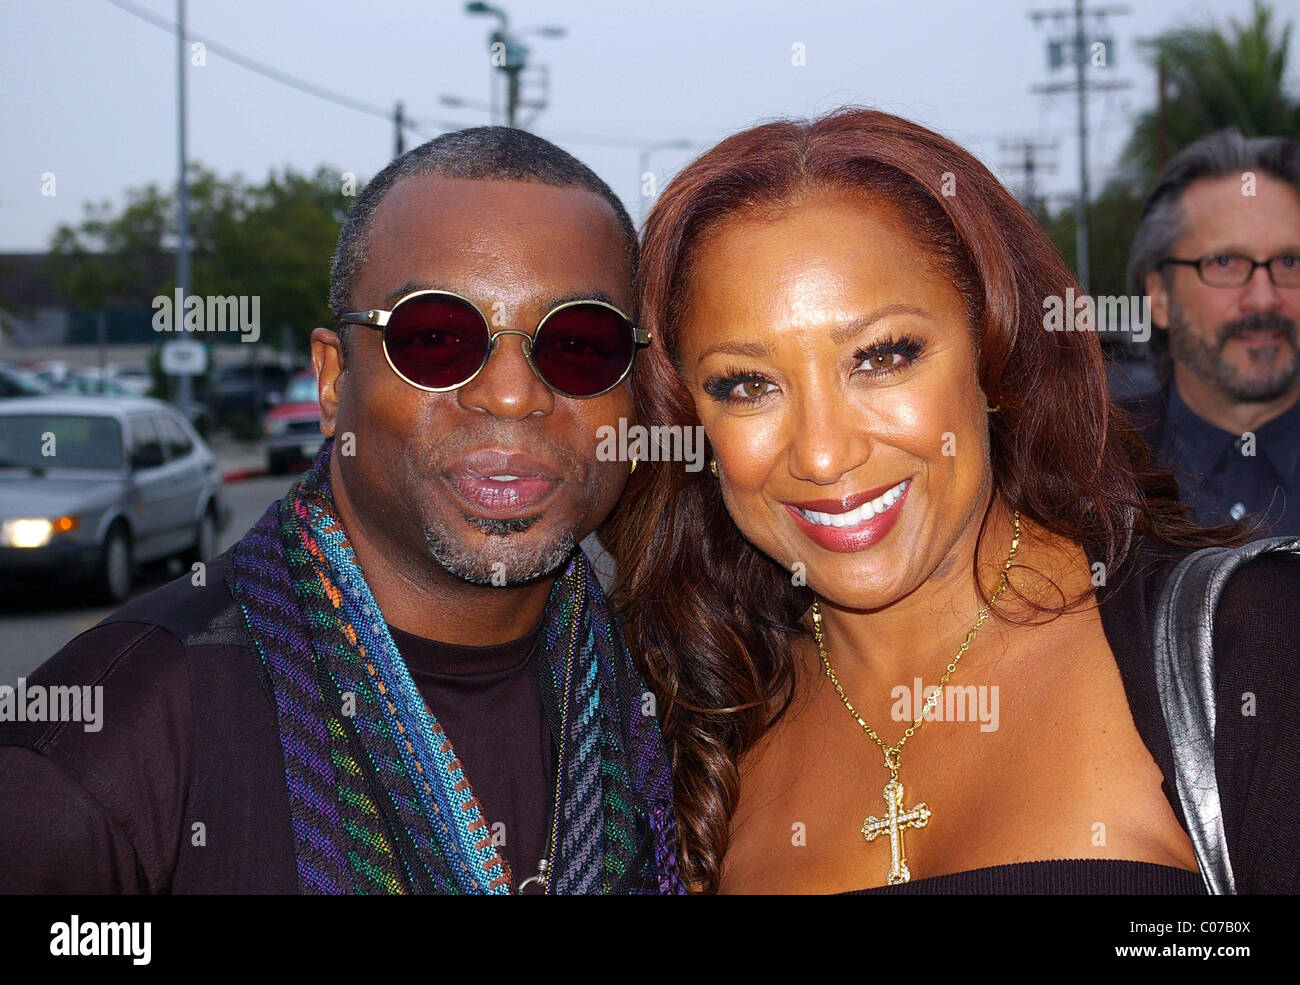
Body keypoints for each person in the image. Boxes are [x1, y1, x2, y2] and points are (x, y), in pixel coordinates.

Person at [602, 107, 1300, 895]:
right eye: (748, 385)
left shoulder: (1248, 646)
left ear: (995, 355)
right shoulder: (678, 736)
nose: (825, 452)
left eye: (882, 356)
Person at [0, 127, 681, 895]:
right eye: (436, 338)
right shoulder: (104, 751)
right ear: (332, 379)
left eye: (579, 344)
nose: (512, 394)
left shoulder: (680, 701)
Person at [1123, 129, 1300, 536]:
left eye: (1289, 261)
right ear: (1161, 296)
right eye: (1224, 262)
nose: (1264, 298)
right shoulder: (1087, 480)